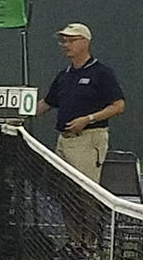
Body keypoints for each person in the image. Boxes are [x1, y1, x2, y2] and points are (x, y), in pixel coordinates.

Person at [34, 22, 125, 182]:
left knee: (84, 192)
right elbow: (47, 103)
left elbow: (118, 106)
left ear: (85, 41)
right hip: (63, 140)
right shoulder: (64, 75)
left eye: (71, 40)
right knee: (63, 191)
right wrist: (17, 115)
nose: (66, 45)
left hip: (88, 139)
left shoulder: (101, 73)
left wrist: (88, 119)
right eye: (63, 41)